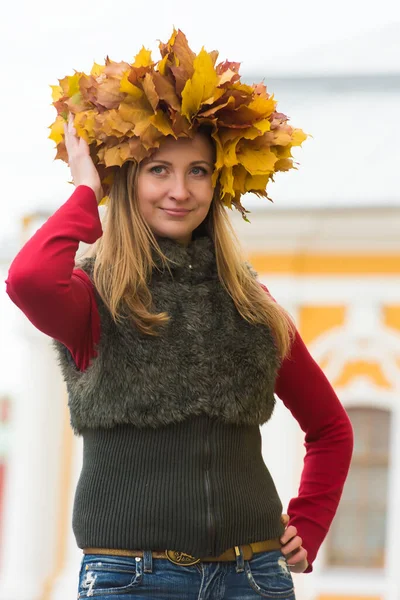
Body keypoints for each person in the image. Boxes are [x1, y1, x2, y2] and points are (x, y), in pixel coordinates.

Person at [5, 30, 353, 600]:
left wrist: (308, 526)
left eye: (198, 171)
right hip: (131, 579)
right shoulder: (93, 299)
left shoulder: (251, 304)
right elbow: (28, 279)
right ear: (128, 178)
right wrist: (86, 191)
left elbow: (331, 429)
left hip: (255, 577)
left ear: (217, 182)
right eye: (158, 169)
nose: (180, 190)